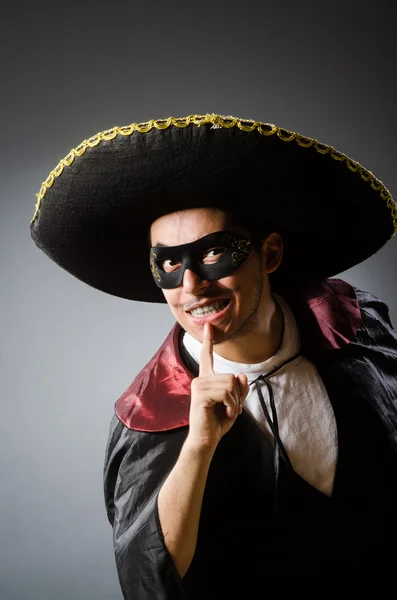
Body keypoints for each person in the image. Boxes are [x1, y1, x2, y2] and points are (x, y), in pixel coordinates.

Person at [30, 114, 397, 597]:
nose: (191, 287)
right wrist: (199, 446)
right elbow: (150, 577)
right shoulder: (151, 412)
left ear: (269, 255)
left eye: (212, 254)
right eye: (168, 264)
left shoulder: (354, 323)